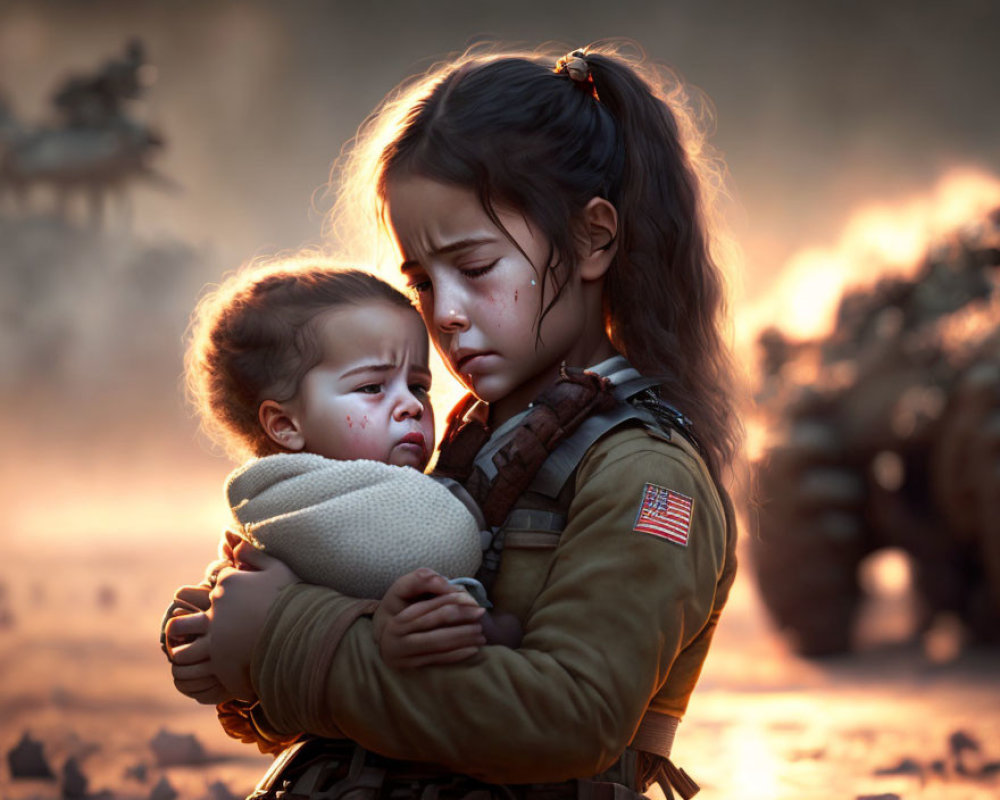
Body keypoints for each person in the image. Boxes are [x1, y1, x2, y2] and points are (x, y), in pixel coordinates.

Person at [167, 42, 742, 800]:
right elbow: (312, 679)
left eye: (474, 269)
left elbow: (569, 722)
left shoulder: (647, 474)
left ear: (593, 237)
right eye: (420, 281)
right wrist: (222, 637)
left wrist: (289, 637)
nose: (445, 315)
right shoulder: (464, 439)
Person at [163, 262, 522, 719]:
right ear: (285, 424)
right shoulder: (310, 511)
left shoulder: (290, 507)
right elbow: (444, 543)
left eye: (419, 386)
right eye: (372, 387)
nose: (411, 406)